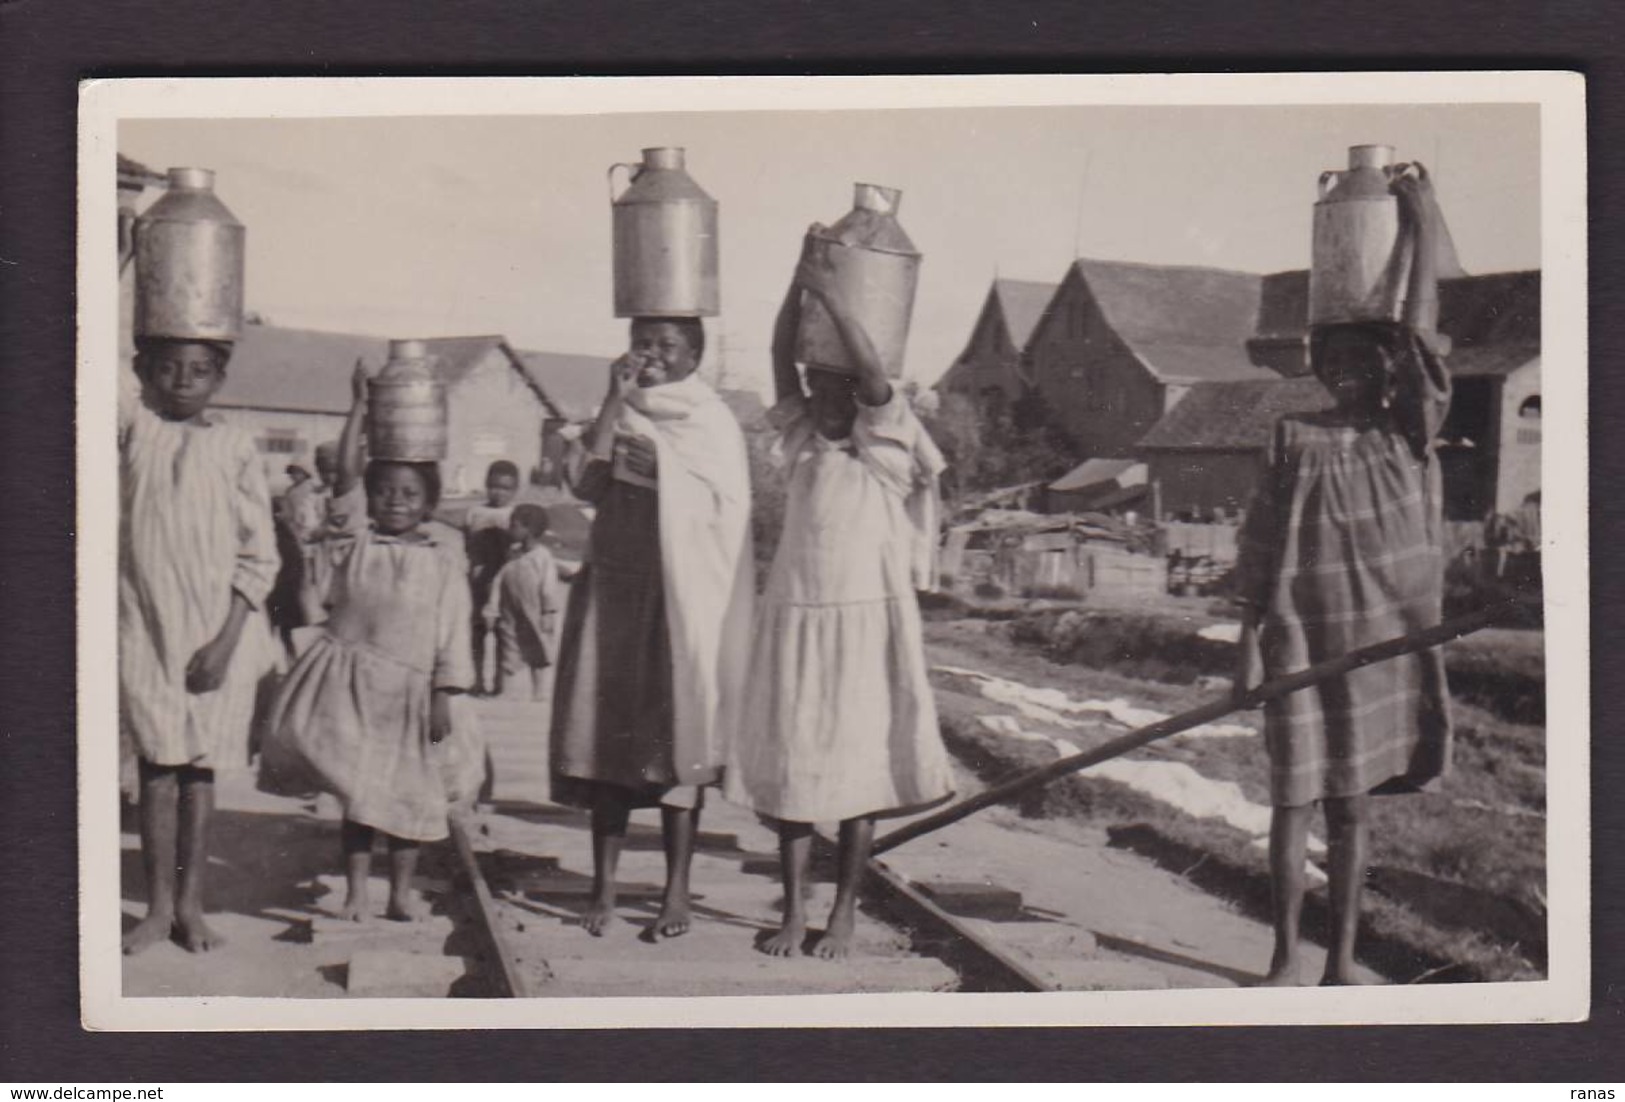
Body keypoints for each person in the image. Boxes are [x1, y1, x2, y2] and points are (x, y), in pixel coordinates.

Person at [1234, 163, 1453, 987]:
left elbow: (1419, 333)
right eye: (1336, 362)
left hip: (1381, 648)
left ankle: (1342, 962)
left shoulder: (1408, 434)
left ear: (1392, 377)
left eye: (1367, 362)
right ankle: (1285, 956)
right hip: (1298, 640)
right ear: (1319, 369)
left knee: (1352, 808)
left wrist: (1420, 222)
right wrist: (1244, 646)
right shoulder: (1292, 435)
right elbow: (1257, 547)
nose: (1350, 373)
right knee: (1293, 802)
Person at [726, 241, 954, 959]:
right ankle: (794, 912)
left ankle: (845, 913)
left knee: (859, 772)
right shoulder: (800, 443)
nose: (822, 400)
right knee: (793, 769)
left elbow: (877, 375)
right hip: (795, 625)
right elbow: (775, 359)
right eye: (814, 386)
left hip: (863, 629)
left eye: (838, 389)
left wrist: (833, 300)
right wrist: (801, 286)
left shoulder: (883, 451)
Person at [550, 315, 753, 939]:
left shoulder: (709, 420)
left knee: (674, 745)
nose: (654, 356)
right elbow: (587, 480)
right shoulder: (619, 409)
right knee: (604, 739)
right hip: (613, 589)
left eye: (669, 346)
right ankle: (604, 890)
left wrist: (664, 471)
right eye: (644, 343)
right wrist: (614, 399)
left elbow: (727, 509)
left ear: (695, 356)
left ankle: (676, 894)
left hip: (676, 597)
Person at [260, 364, 481, 922]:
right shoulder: (355, 543)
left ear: (429, 500)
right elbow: (345, 483)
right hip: (352, 687)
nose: (395, 501)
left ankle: (400, 892)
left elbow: (453, 632)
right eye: (385, 492)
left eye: (409, 493)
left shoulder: (442, 561)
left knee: (409, 798)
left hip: (409, 695)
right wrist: (358, 407)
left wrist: (443, 695)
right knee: (359, 796)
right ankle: (358, 893)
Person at [119, 336, 281, 954]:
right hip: (144, 625)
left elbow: (259, 555)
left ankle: (191, 906)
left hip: (217, 633)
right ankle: (157, 909)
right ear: (147, 373)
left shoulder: (235, 446)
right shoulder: (135, 431)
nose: (184, 381)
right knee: (158, 767)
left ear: (220, 377)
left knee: (199, 771)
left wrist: (225, 640)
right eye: (170, 368)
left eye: (200, 370)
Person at [483, 504, 565, 703]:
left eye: (515, 525)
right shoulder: (513, 553)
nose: (510, 528)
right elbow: (500, 579)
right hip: (510, 609)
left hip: (534, 610)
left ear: (529, 530)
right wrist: (492, 608)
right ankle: (505, 690)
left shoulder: (542, 556)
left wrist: (547, 612)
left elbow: (548, 585)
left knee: (538, 646)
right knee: (509, 644)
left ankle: (540, 690)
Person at [464, 460, 521, 694]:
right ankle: (476, 679)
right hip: (479, 579)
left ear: (516, 490)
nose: (499, 493)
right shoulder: (475, 513)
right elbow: (467, 542)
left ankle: (500, 682)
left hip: (505, 582)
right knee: (476, 631)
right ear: (487, 486)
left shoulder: (515, 515)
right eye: (495, 486)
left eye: (506, 488)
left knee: (503, 632)